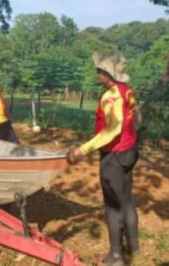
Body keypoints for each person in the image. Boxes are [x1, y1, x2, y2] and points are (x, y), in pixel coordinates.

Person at [67, 51, 139, 266]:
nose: (97, 73)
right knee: (126, 199)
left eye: (99, 70)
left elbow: (113, 129)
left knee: (113, 205)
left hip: (114, 156)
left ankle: (116, 256)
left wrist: (82, 150)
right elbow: (134, 119)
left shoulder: (111, 96)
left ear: (107, 73)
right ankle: (134, 247)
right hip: (130, 151)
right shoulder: (127, 91)